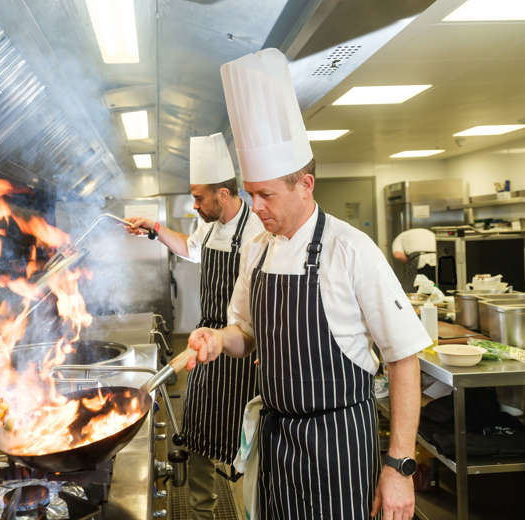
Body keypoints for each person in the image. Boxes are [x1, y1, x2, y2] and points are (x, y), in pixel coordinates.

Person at [185, 49, 431, 520]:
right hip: (278, 443)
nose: (255, 207)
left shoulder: (350, 249)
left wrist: (399, 466)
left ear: (306, 185)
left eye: (266, 195)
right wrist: (218, 339)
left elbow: (403, 357)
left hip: (339, 445)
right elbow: (246, 333)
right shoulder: (257, 248)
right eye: (250, 193)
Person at [126, 133, 264, 520]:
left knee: (244, 440)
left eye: (199, 197)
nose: (194, 204)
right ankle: (205, 510)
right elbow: (191, 247)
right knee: (199, 426)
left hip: (243, 347)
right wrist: (155, 229)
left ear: (223, 194)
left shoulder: (256, 230)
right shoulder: (211, 224)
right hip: (206, 341)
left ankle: (247, 505)